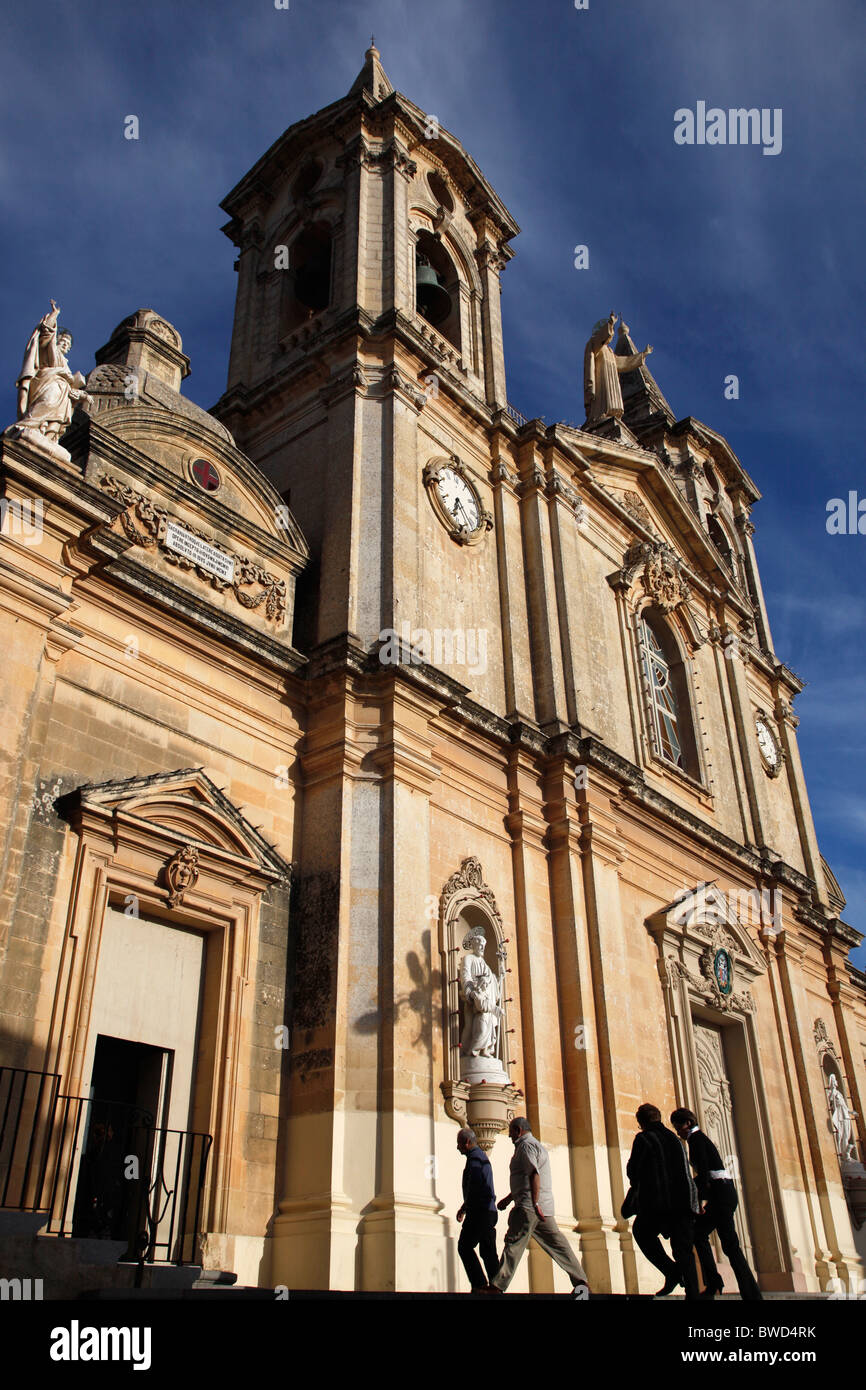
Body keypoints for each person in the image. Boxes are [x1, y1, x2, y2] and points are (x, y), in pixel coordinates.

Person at [487, 1116, 589, 1297]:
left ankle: (497, 1286)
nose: (510, 1136)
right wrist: (510, 1198)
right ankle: (581, 1282)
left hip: (529, 1207)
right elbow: (527, 1177)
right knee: (558, 1244)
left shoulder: (525, 1147)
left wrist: (534, 1203)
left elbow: (533, 1174)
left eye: (511, 1132)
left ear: (518, 1130)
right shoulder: (537, 1146)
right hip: (543, 1207)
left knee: (514, 1243)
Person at [671, 1108, 762, 1301]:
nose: (678, 1131)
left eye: (678, 1127)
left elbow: (704, 1173)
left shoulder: (696, 1140)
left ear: (687, 1123)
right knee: (708, 1237)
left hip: (720, 1196)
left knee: (727, 1244)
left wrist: (700, 1201)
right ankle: (717, 1283)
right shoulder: (699, 1139)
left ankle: (745, 1291)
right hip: (723, 1194)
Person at [626, 1102, 699, 1299]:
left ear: (641, 1122)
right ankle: (693, 1292)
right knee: (684, 1251)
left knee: (641, 1232)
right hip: (684, 1203)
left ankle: (671, 1271)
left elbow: (633, 1170)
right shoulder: (675, 1140)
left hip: (660, 1204)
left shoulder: (644, 1139)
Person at [455, 1127, 499, 1292]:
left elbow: (475, 1186)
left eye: (459, 1143)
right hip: (487, 1211)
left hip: (479, 1212)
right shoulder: (480, 1158)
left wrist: (466, 1208)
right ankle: (496, 1286)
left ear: (467, 1142)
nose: (458, 1147)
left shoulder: (475, 1160)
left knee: (464, 1246)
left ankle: (480, 1284)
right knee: (488, 1250)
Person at [459, 926, 501, 1060]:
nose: (482, 947)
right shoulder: (468, 959)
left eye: (484, 945)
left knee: (485, 1026)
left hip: (485, 1000)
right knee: (471, 1027)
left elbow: (492, 981)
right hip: (473, 999)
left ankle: (484, 1050)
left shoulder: (484, 963)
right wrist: (471, 993)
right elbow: (466, 976)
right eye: (480, 944)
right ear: (474, 945)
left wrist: (499, 976)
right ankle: (466, 1051)